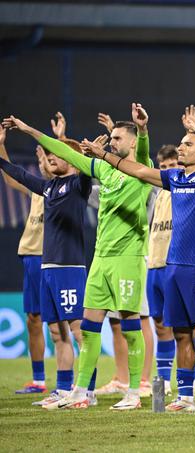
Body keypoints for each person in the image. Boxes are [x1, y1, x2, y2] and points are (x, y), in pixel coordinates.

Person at [81, 119, 195, 413]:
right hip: (172, 266)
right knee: (181, 333)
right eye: (182, 143)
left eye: (188, 144)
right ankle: (185, 397)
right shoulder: (175, 178)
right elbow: (136, 169)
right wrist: (104, 155)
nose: (181, 147)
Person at [11, 104, 154, 410]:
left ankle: (132, 393)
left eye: (117, 137)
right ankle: (80, 391)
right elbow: (69, 154)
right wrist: (29, 130)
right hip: (100, 258)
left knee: (130, 326)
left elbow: (142, 151)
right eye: (111, 137)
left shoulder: (142, 167)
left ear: (130, 142)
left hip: (128, 257)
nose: (112, 141)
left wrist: (142, 130)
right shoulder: (103, 169)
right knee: (88, 328)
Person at [0, 118, 94, 408]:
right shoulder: (49, 188)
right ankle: (63, 389)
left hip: (69, 267)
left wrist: (84, 155)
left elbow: (85, 167)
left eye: (56, 154)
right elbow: (17, 173)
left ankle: (86, 392)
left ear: (71, 160)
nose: (50, 158)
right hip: (48, 268)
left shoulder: (79, 185)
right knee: (56, 332)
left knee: (79, 330)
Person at [0, 126, 47, 395]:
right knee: (33, 318)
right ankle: (39, 380)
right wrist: (1, 145)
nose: (43, 163)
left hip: (51, 258)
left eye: (48, 159)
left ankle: (76, 382)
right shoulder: (36, 192)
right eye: (41, 159)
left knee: (61, 322)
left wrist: (61, 140)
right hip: (30, 256)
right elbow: (9, 179)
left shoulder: (63, 189)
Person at [146, 144, 179, 395]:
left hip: (174, 265)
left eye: (172, 165)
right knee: (159, 324)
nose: (167, 170)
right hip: (154, 264)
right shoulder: (157, 195)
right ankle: (165, 382)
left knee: (183, 326)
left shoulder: (185, 190)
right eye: (163, 167)